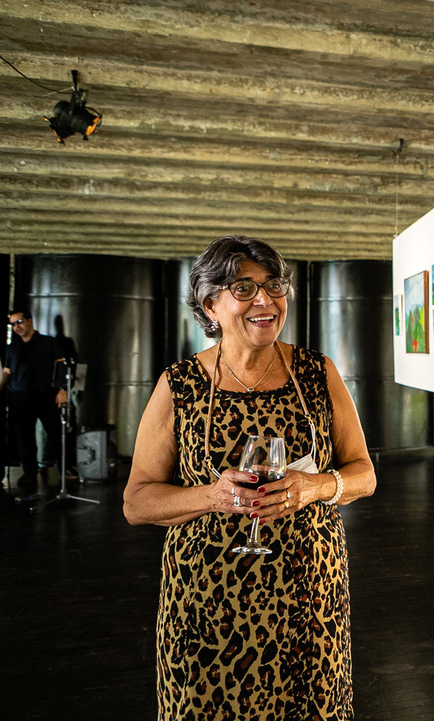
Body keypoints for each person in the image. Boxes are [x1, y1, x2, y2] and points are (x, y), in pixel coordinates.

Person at [124, 235, 376, 720]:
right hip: (206, 604)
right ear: (210, 305)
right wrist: (212, 496)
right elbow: (136, 502)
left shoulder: (316, 373)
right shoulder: (180, 384)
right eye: (243, 288)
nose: (265, 300)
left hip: (308, 597)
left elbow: (364, 474)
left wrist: (317, 486)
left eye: (273, 285)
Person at [0, 309, 69, 490]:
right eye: (13, 324)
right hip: (20, 397)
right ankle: (29, 473)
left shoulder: (48, 342)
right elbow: (7, 372)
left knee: (55, 433)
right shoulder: (12, 347)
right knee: (24, 438)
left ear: (30, 321)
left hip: (46, 395)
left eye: (20, 322)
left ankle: (65, 469)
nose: (17, 327)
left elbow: (61, 366)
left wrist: (62, 390)